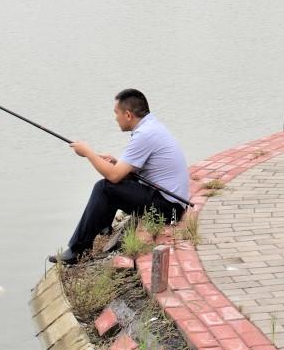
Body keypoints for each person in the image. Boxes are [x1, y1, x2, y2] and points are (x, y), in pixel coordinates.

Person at [50, 89, 190, 265]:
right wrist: (116, 161)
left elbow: (114, 176)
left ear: (128, 115)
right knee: (114, 182)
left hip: (168, 209)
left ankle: (77, 251)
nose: (115, 118)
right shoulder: (151, 126)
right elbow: (128, 170)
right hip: (170, 201)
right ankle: (104, 227)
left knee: (105, 187)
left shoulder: (144, 135)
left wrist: (88, 153)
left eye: (116, 113)